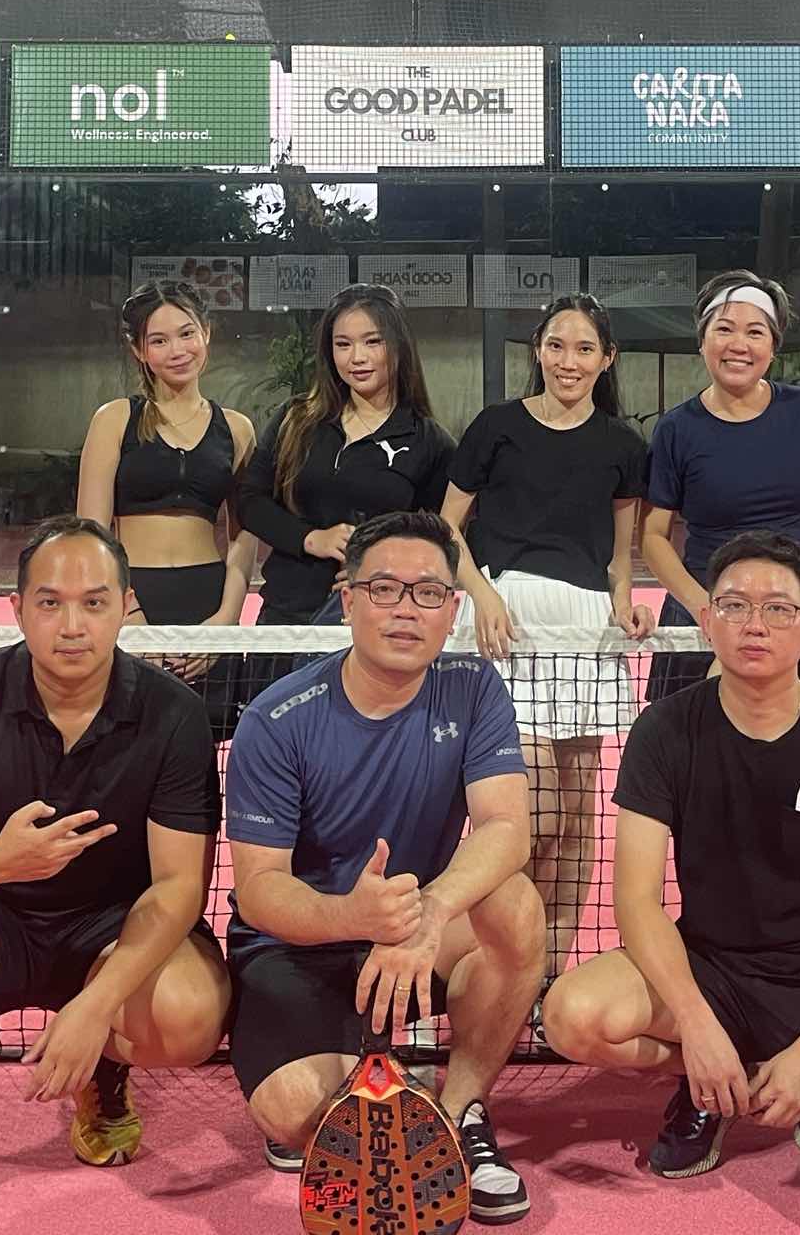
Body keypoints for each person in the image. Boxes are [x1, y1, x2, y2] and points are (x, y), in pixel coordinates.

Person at [542, 530, 800, 1235]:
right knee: (571, 1014)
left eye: (778, 608)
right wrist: (698, 1028)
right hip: (712, 970)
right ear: (706, 620)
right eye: (734, 605)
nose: (755, 624)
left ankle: (798, 1084)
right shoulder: (664, 731)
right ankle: (706, 1087)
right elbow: (636, 901)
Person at [0, 515, 227, 1235]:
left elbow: (181, 886)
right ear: (18, 609)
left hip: (114, 931)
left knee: (191, 1014)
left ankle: (104, 1072)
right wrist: (1, 861)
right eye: (50, 602)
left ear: (126, 606)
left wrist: (96, 1006)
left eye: (94, 602)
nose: (73, 625)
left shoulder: (175, 714)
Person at [223, 509, 545, 1224]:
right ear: (348, 601)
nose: (406, 609)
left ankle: (459, 1113)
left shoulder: (473, 688)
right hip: (298, 945)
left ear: (452, 611)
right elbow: (260, 890)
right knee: (293, 1112)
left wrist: (428, 912)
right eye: (384, 589)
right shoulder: (276, 720)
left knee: (515, 903)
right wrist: (350, 915)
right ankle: (364, 1091)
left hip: (413, 934)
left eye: (428, 593)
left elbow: (505, 829)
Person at [441, 293, 652, 986]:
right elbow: (447, 528)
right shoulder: (496, 427)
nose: (569, 361)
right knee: (535, 815)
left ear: (607, 359)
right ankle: (504, 964)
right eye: (557, 345)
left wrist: (625, 605)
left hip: (585, 633)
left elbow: (619, 555)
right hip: (506, 632)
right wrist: (482, 594)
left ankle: (549, 978)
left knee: (580, 813)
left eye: (585, 348)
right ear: (538, 350)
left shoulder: (623, 446)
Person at [235, 282, 514, 654]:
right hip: (285, 618)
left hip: (375, 626)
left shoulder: (430, 442)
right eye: (343, 344)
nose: (357, 357)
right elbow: (250, 502)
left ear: (398, 346)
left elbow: (438, 539)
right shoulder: (295, 419)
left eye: (372, 342)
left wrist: (377, 570)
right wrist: (311, 539)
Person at [640, 270, 800, 700]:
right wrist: (706, 609)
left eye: (755, 332)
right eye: (724, 329)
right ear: (702, 340)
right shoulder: (676, 429)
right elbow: (653, 536)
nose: (738, 345)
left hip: (798, 622)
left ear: (773, 346)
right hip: (702, 631)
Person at [76, 280, 257, 725]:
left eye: (186, 333)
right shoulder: (114, 420)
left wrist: (225, 621)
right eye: (159, 340)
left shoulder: (237, 430)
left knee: (202, 740)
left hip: (207, 603)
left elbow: (244, 537)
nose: (177, 350)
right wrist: (128, 614)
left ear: (206, 333)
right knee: (125, 737)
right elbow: (90, 535)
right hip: (130, 599)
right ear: (138, 350)